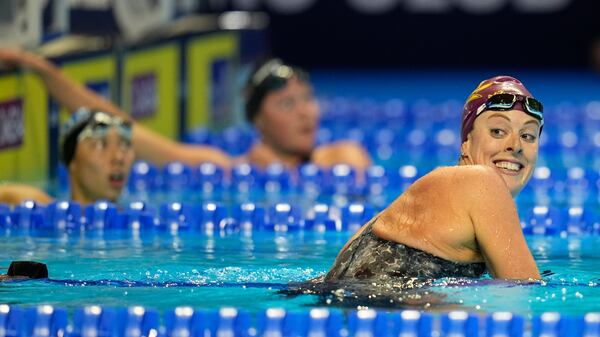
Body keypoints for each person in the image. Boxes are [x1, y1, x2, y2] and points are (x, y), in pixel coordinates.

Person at [321, 75, 542, 283]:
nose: (516, 146)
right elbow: (524, 291)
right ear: (466, 143)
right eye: (498, 131)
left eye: (528, 136)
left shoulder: (423, 200)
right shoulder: (483, 181)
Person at [0, 47, 233, 169]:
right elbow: (113, 120)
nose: (118, 159)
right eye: (100, 146)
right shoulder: (219, 164)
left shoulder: (221, 165)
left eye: (122, 148)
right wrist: (40, 68)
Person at [242, 58, 371, 173]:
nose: (304, 113)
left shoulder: (344, 159)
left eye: (307, 98)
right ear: (259, 119)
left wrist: (278, 169)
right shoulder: (237, 169)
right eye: (287, 104)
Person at [0, 108, 135, 205]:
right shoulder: (40, 211)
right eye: (101, 145)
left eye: (124, 145)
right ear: (72, 160)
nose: (119, 157)